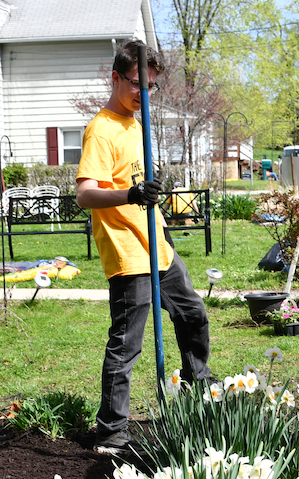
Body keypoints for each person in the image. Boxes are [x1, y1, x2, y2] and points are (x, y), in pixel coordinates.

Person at [75, 39, 212, 455]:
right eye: (137, 84)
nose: (143, 94)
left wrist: (156, 213)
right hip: (127, 250)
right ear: (116, 78)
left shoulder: (139, 120)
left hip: (156, 242)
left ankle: (199, 393)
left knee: (193, 313)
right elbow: (85, 194)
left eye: (151, 87)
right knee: (127, 343)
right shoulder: (102, 129)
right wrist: (131, 195)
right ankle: (112, 432)